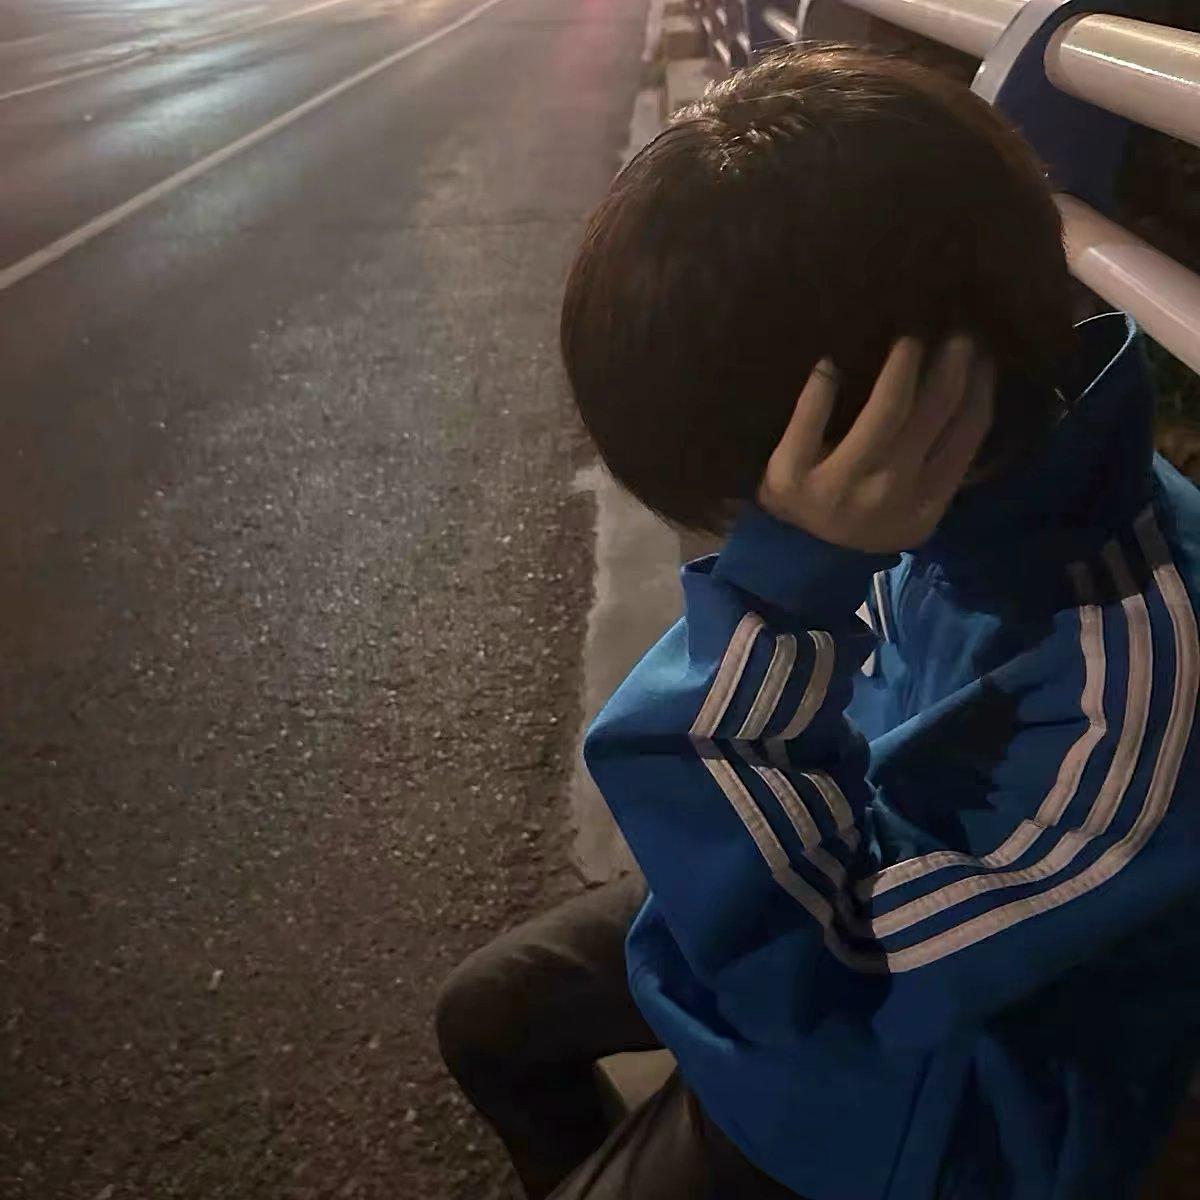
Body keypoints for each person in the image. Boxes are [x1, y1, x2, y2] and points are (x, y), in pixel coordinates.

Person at [436, 44, 1200, 1199]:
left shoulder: (1136, 670)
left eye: (755, 514)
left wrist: (791, 587)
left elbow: (839, 982)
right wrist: (806, 571)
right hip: (836, 899)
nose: (750, 543)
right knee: (486, 1016)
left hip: (923, 1104)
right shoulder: (978, 501)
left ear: (902, 421)